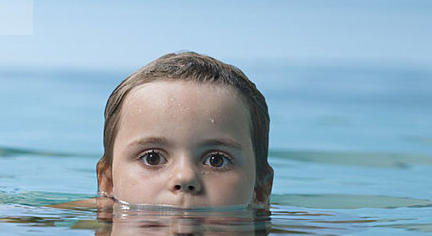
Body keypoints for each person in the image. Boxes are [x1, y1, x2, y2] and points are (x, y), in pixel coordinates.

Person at [56, 51, 273, 210]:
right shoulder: (59, 230)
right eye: (152, 158)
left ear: (260, 190)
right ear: (108, 182)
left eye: (216, 160)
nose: (184, 177)